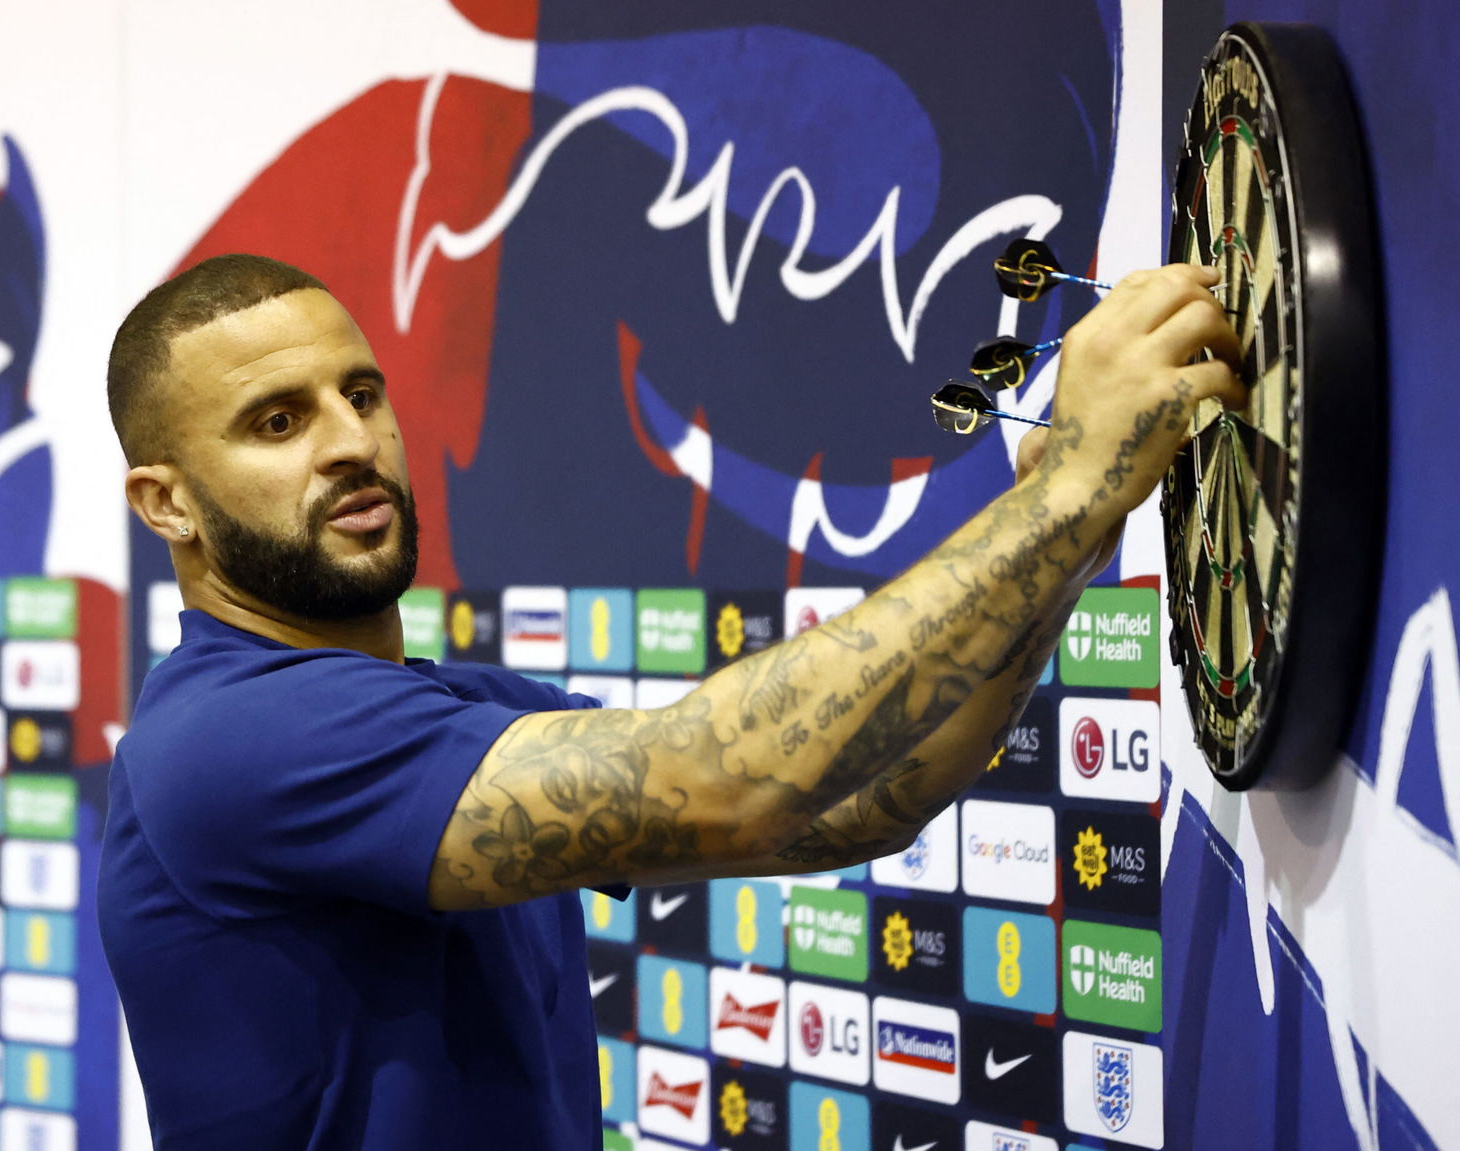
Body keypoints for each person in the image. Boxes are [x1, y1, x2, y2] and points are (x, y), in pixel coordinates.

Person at [98, 253, 1239, 1149]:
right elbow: (730, 783)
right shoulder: (226, 738)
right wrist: (1070, 486)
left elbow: (861, 801)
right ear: (167, 504)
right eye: (278, 422)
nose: (352, 442)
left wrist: (1065, 538)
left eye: (360, 393)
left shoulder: (449, 708)